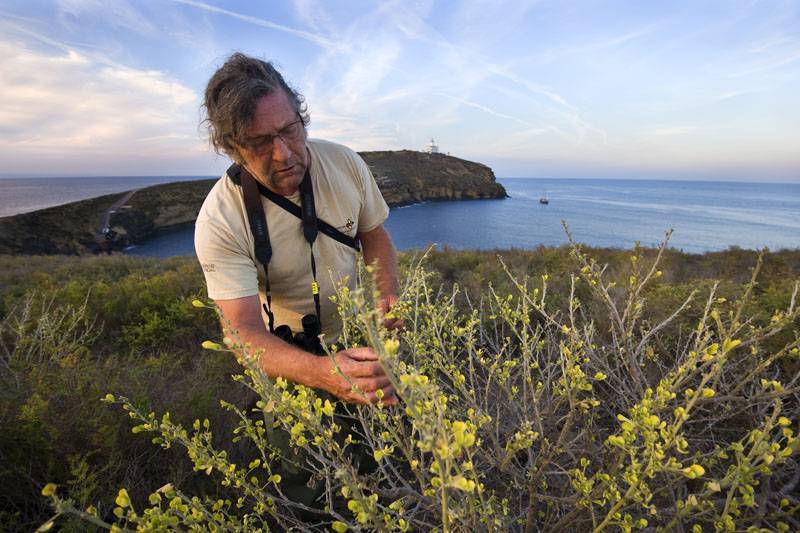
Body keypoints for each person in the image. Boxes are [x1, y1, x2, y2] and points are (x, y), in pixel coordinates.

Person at [195, 52, 400, 407]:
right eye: (259, 142)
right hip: (284, 361)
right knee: (301, 463)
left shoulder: (345, 163)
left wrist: (386, 297)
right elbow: (242, 333)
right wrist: (324, 373)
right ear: (232, 149)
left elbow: (374, 236)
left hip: (358, 340)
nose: (284, 154)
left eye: (290, 130)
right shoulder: (219, 220)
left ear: (301, 119)